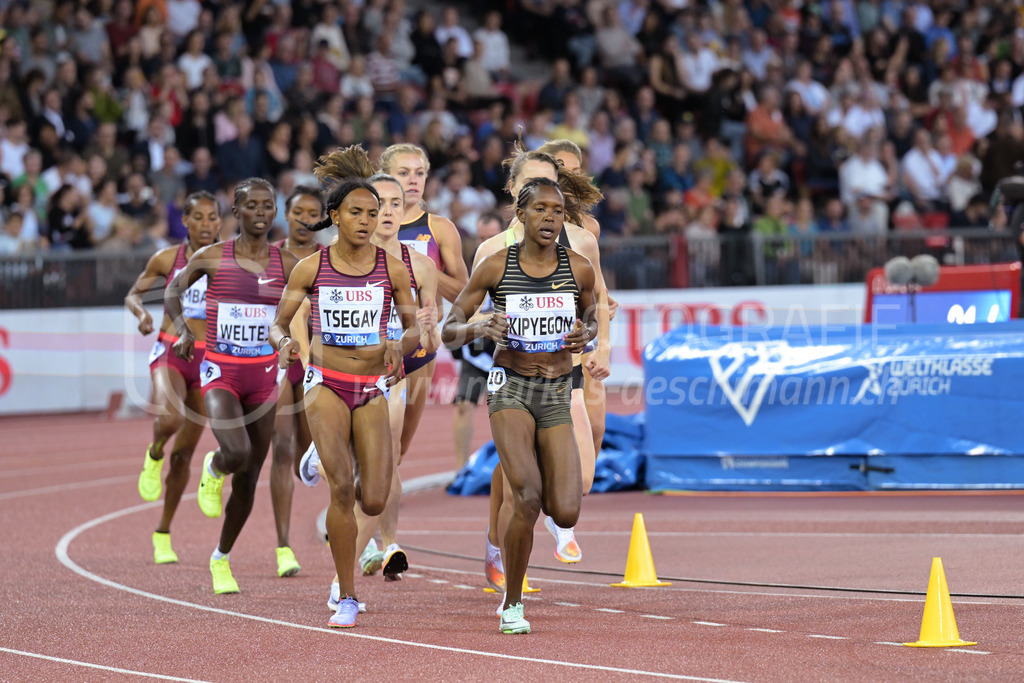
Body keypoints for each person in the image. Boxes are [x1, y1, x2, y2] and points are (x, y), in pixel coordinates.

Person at [441, 176, 599, 634]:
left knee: (565, 510)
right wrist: (479, 326)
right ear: (521, 216)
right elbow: (449, 330)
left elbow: (590, 315)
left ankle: (511, 535)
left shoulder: (579, 267)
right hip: (509, 386)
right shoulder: (494, 266)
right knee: (526, 495)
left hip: (555, 391)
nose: (550, 218)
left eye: (557, 211)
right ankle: (512, 602)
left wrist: (584, 335)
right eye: (541, 210)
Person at [270, 150, 420, 628]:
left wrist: (399, 342)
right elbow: (278, 325)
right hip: (326, 384)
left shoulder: (393, 269)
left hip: (372, 385)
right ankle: (348, 595)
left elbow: (414, 327)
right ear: (334, 216)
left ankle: (319, 457)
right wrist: (284, 347)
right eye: (356, 212)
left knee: (373, 498)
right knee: (341, 490)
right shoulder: (311, 268)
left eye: (374, 214)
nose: (366, 220)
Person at [473, 144, 610, 593]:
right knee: (522, 485)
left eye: (553, 190)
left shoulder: (581, 241)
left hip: (567, 374)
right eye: (534, 189)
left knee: (579, 482)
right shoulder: (494, 251)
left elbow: (599, 304)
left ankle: (539, 523)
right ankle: (506, 561)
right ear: (515, 192)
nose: (548, 204)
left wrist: (597, 344)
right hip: (513, 379)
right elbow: (467, 316)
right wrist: (484, 325)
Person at [164, 178, 299, 594]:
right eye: (252, 206)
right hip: (221, 371)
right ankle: (214, 465)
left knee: (249, 478)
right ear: (236, 211)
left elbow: (316, 295)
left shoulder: (288, 264)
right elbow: (172, 291)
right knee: (236, 453)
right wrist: (184, 331)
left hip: (263, 377)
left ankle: (221, 557)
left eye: (268, 206)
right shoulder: (212, 257)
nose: (261, 212)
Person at [375, 143, 468, 551]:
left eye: (419, 172)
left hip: (421, 347)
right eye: (403, 172)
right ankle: (384, 542)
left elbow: (465, 289)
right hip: (374, 346)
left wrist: (420, 270)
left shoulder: (439, 228)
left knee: (397, 452)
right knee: (380, 444)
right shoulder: (365, 224)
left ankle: (373, 525)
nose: (413, 180)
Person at [126, 191, 220, 565]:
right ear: (185, 221)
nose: (206, 224)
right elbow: (134, 294)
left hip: (208, 357)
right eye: (198, 217)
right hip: (169, 348)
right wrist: (142, 315)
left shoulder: (227, 259)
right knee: (171, 418)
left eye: (212, 217)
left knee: (183, 457)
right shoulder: (168, 258)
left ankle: (162, 532)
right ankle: (153, 454)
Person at [266, 185, 326, 579]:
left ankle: (360, 534)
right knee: (283, 447)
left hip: (322, 363)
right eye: (298, 212)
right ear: (286, 216)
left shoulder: (332, 259)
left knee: (319, 455)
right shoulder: (267, 258)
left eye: (312, 213)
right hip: (279, 359)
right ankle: (283, 546)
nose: (305, 219)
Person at [452, 212, 502, 469]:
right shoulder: (470, 262)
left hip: (508, 346)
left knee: (509, 412)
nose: (485, 243)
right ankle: (461, 469)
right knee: (463, 404)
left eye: (491, 237)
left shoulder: (515, 260)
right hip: (479, 346)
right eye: (481, 237)